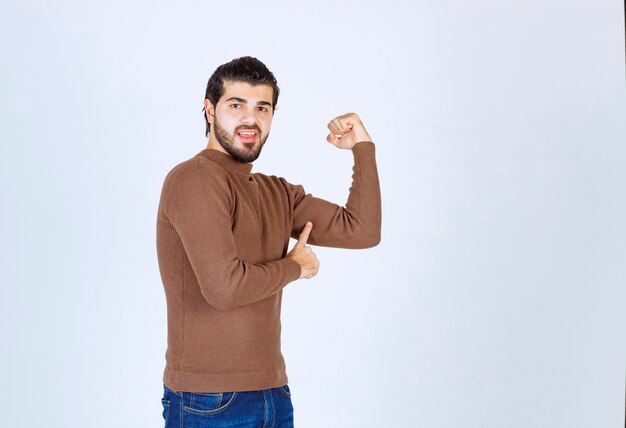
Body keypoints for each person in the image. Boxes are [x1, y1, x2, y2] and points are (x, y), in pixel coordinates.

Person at [156, 56, 381, 427]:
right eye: (236, 105)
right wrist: (295, 266)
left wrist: (363, 149)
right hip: (207, 400)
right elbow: (224, 289)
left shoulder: (277, 193)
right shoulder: (194, 179)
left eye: (263, 107)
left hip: (273, 394)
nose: (251, 118)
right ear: (209, 110)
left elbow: (362, 231)